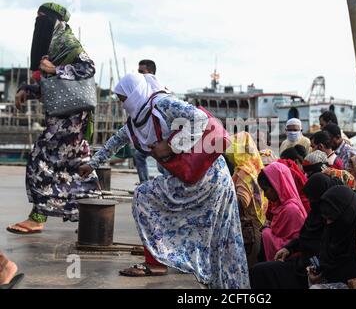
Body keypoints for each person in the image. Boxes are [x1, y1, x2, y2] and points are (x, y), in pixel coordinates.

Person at [79, 73, 249, 289]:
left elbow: (200, 119)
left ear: (135, 94)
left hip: (208, 174)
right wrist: (92, 164)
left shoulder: (162, 104)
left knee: (144, 196)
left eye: (124, 100)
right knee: (213, 233)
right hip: (193, 178)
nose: (123, 106)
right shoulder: (138, 121)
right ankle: (171, 262)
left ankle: (158, 262)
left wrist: (170, 145)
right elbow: (116, 141)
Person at [7, 3, 101, 234]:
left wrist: (55, 70)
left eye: (43, 19)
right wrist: (27, 90)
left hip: (70, 120)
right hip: (67, 119)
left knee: (41, 161)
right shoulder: (52, 47)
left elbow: (88, 68)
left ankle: (38, 217)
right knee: (77, 166)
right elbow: (57, 89)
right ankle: (95, 217)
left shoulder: (67, 43)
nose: (39, 24)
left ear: (56, 21)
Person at [250, 173, 343, 289]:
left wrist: (316, 269)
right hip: (303, 264)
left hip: (313, 271)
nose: (310, 203)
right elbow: (304, 237)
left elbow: (324, 254)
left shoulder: (331, 219)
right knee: (259, 271)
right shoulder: (315, 215)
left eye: (312, 198)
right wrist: (289, 248)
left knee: (263, 272)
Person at [225, 132, 268, 269]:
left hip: (246, 229)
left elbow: (242, 201)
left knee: (246, 269)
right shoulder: (256, 165)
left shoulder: (243, 172)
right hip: (257, 225)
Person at [257, 162, 307, 261]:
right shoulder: (280, 206)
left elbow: (296, 245)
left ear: (277, 185)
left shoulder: (291, 210)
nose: (265, 195)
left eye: (266, 190)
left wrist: (267, 234)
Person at [133, 59, 158, 183]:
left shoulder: (157, 89)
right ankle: (144, 184)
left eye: (141, 71)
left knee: (163, 164)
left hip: (161, 137)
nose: (139, 74)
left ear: (150, 73)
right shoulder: (142, 88)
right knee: (139, 156)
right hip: (150, 135)